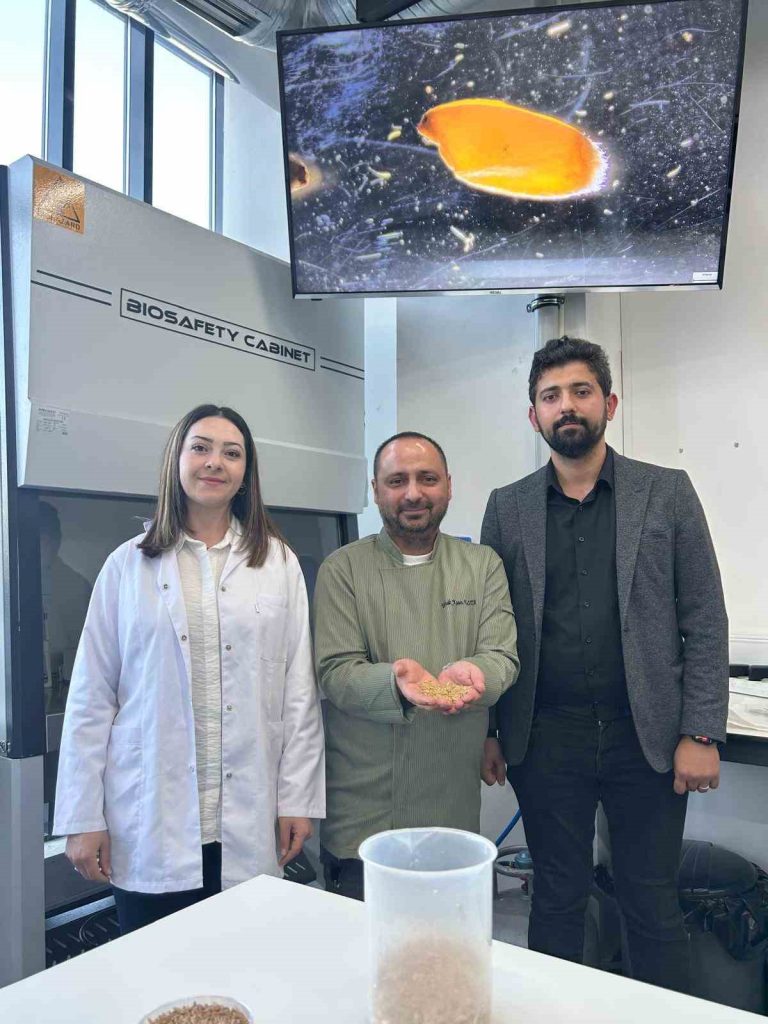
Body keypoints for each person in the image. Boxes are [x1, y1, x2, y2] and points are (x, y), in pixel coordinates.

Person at [481, 337, 728, 993]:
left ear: (609, 404)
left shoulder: (666, 493)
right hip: (545, 736)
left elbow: (704, 615)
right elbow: (490, 629)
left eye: (581, 391)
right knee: (556, 896)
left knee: (650, 898)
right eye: (551, 395)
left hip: (646, 736)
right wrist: (489, 730)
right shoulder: (506, 507)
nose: (566, 405)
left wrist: (701, 732)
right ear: (533, 415)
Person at [54, 404, 325, 933]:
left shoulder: (278, 563)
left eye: (232, 453)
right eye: (200, 447)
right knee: (154, 968)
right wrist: (83, 816)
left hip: (248, 816)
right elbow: (91, 695)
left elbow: (298, 693)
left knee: (244, 964)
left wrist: (298, 799)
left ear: (246, 473)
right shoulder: (127, 565)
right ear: (176, 460)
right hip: (149, 820)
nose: (214, 462)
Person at [314, 431, 519, 899]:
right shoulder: (342, 569)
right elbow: (336, 672)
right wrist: (395, 683)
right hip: (363, 817)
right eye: (397, 480)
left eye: (427, 479)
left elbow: (502, 654)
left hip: (453, 811)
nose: (413, 493)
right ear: (375, 490)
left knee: (451, 941)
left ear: (448, 485)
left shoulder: (482, 565)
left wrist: (478, 675)